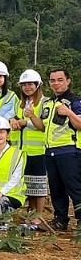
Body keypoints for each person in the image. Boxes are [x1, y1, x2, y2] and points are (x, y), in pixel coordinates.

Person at [26, 68, 81, 231]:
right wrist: (32, 116)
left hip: (69, 150)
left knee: (75, 187)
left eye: (60, 80)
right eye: (52, 80)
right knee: (56, 188)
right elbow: (43, 127)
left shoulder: (75, 101)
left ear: (68, 81)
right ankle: (60, 219)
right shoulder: (48, 103)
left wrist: (69, 112)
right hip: (50, 151)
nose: (56, 83)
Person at [9, 69, 48, 229]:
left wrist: (29, 119)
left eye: (30, 84)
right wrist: (13, 121)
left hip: (37, 151)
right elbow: (15, 119)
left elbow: (43, 126)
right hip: (21, 151)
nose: (27, 87)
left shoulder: (45, 103)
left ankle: (38, 217)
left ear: (37, 85)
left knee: (38, 185)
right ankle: (31, 214)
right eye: (24, 85)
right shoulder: (18, 104)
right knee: (28, 185)